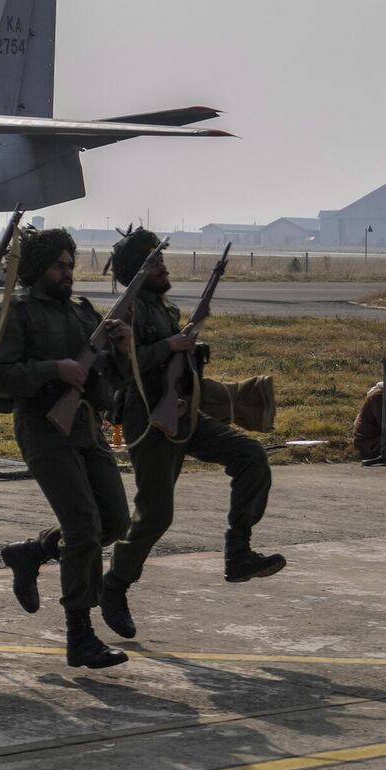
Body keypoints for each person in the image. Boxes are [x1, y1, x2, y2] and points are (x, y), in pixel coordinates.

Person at [99, 228, 284, 638]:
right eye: (154, 262)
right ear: (137, 273)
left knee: (250, 455)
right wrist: (171, 346)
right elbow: (118, 372)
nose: (164, 267)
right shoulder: (125, 313)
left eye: (161, 259)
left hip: (184, 412)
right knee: (156, 514)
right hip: (147, 418)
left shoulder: (161, 307)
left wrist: (188, 349)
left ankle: (238, 552)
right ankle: (114, 585)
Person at [0, 228, 131, 670]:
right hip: (43, 430)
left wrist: (121, 351)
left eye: (71, 266)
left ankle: (32, 553)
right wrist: (55, 369)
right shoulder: (15, 314)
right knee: (85, 526)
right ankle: (80, 633)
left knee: (114, 520)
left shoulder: (84, 315)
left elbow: (110, 380)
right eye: (59, 266)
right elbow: (3, 378)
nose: (67, 273)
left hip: (86, 429)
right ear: (38, 269)